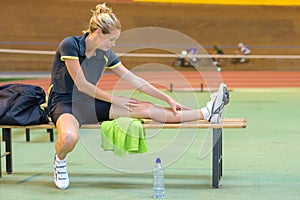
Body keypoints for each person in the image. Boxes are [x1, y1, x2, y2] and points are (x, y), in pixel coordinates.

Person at [47, 3, 229, 190]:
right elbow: (82, 84)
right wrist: (115, 99)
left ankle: (206, 112)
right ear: (99, 32)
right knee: (69, 137)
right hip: (64, 103)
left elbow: (134, 80)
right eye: (112, 39)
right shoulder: (70, 45)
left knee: (145, 109)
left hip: (91, 103)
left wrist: (167, 98)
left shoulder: (106, 54)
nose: (113, 45)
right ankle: (60, 161)